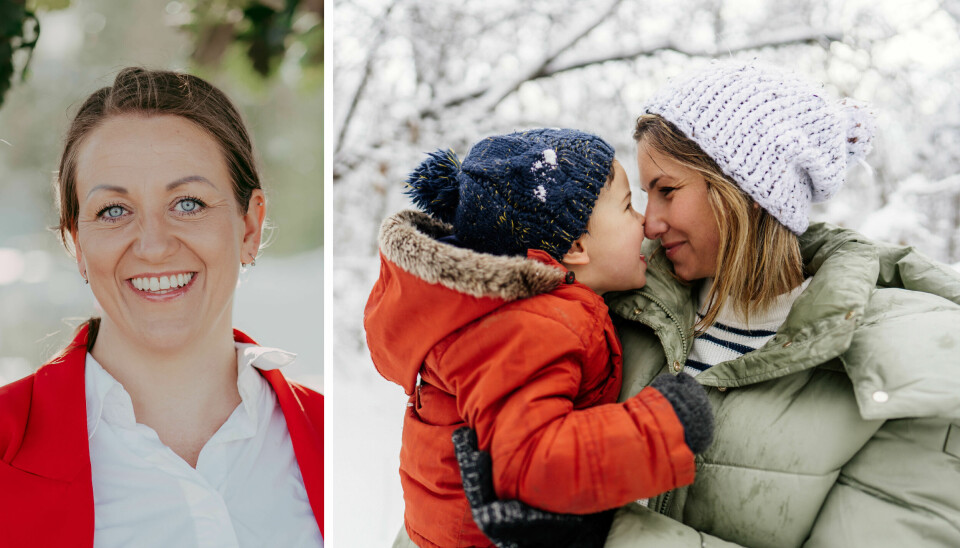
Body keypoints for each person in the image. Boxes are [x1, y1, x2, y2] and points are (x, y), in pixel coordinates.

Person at [461, 62, 960, 547]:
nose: (649, 222)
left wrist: (596, 534)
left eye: (667, 190)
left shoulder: (910, 368)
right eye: (641, 196)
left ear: (744, 193)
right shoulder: (609, 310)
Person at [0, 68, 324, 547]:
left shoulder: (331, 438)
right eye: (113, 210)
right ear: (76, 244)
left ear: (250, 227)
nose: (152, 246)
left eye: (188, 203)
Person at [365, 129, 716, 548]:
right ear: (577, 248)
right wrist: (662, 428)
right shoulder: (534, 327)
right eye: (626, 207)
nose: (645, 222)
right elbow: (529, 463)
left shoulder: (523, 314)